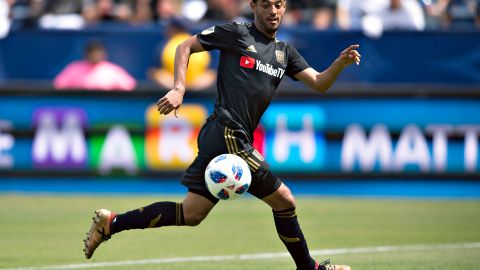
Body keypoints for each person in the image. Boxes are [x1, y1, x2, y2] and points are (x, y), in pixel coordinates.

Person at [83, 0, 360, 269]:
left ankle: (112, 223)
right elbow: (185, 45)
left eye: (278, 4)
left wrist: (338, 64)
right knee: (284, 200)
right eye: (265, 5)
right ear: (253, 7)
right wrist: (179, 88)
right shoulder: (236, 33)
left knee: (191, 214)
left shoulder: (285, 52)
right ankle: (309, 268)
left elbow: (319, 83)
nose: (272, 11)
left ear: (285, 6)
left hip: (228, 136)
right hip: (228, 132)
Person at [53, 41, 136, 91]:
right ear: (86, 54)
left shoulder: (112, 70)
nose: (95, 55)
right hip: (80, 110)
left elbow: (130, 86)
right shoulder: (74, 68)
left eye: (98, 53)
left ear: (103, 54)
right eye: (92, 53)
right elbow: (59, 84)